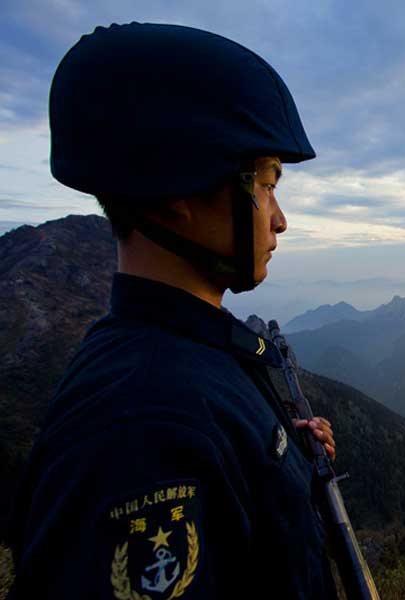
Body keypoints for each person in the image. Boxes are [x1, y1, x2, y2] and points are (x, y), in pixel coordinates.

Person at [8, 22, 339, 598]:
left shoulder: (185, 359)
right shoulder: (143, 432)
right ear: (177, 194)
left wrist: (279, 448)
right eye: (265, 183)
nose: (280, 218)